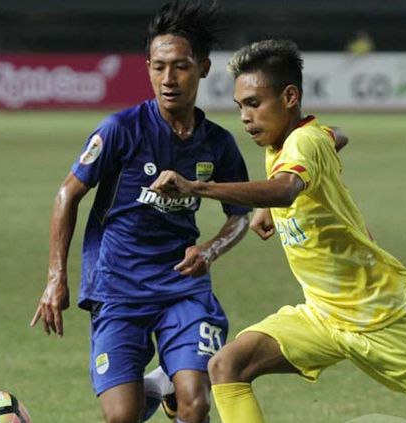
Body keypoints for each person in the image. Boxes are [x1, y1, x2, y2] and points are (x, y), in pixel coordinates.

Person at [150, 39, 406, 423]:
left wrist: (197, 186)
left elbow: (287, 188)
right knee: (228, 365)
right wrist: (274, 202)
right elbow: (336, 135)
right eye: (240, 107)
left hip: (381, 319)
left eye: (254, 104)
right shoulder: (295, 139)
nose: (245, 118)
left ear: (289, 97)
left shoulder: (302, 141)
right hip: (323, 316)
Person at [29, 1, 253, 422]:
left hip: (182, 289)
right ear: (147, 66)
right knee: (121, 417)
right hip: (117, 287)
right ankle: (159, 386)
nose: (168, 79)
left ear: (203, 68)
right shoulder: (121, 129)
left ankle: (176, 385)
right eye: (158, 66)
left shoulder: (218, 144)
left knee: (197, 402)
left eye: (181, 66)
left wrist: (211, 249)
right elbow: (66, 195)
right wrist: (55, 278)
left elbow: (240, 214)